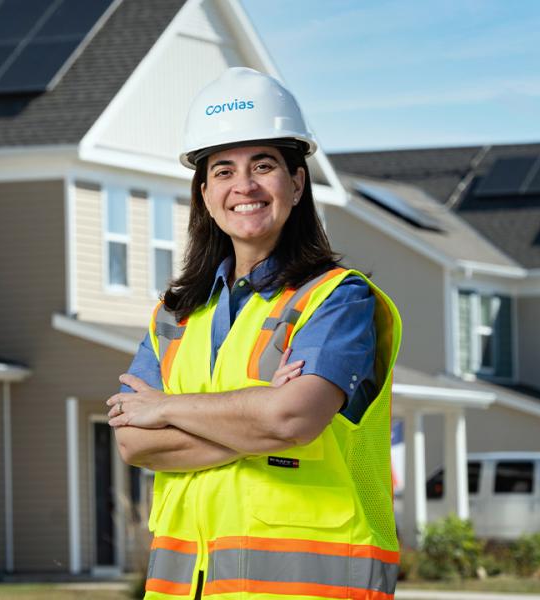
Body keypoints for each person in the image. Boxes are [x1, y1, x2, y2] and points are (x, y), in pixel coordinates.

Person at [106, 67, 402, 600]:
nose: (244, 186)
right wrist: (255, 414)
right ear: (204, 192)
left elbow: (292, 418)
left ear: (296, 181)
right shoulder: (175, 315)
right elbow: (132, 441)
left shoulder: (335, 299)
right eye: (223, 171)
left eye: (263, 166)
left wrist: (169, 408)